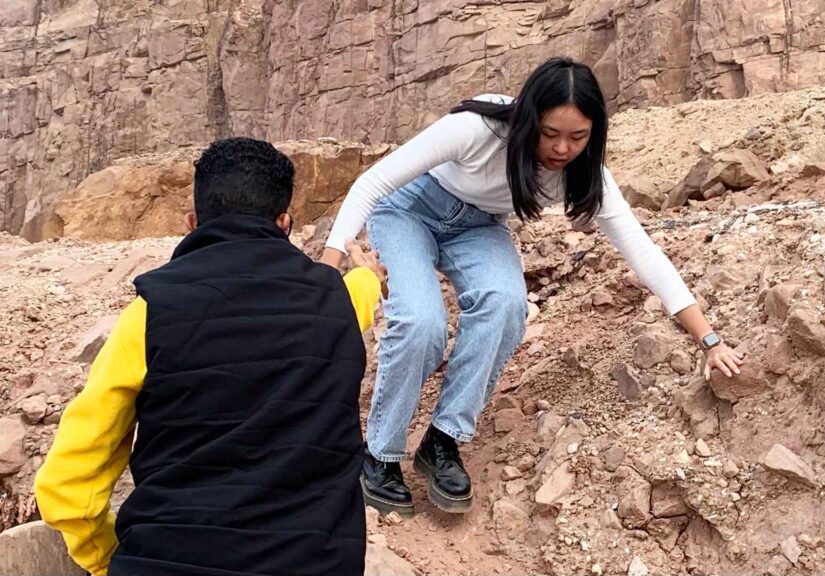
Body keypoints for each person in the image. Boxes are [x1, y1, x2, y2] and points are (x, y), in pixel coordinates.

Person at [321, 57, 744, 517]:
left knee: (506, 304)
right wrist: (328, 271)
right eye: (550, 133)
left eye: (578, 137)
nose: (562, 148)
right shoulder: (476, 128)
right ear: (527, 120)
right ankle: (380, 456)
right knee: (422, 322)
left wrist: (708, 338)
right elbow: (371, 183)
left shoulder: (587, 176)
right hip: (408, 211)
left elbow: (642, 251)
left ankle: (442, 441)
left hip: (479, 227)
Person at [34, 137, 386, 576]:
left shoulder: (148, 317)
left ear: (191, 222)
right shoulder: (337, 303)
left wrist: (105, 559)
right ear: (284, 222)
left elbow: (64, 489)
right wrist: (370, 274)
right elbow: (362, 293)